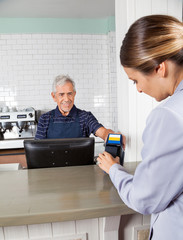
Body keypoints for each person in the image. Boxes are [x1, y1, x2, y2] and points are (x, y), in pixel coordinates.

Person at [97, 15, 183, 240]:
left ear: (159, 68)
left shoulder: (169, 116)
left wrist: (114, 169)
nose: (138, 89)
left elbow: (144, 199)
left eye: (135, 80)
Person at [35, 75, 116, 141]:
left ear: (74, 94)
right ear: (54, 96)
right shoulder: (45, 119)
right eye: (61, 94)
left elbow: (103, 132)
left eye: (69, 94)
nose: (66, 99)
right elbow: (37, 150)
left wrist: (115, 138)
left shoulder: (85, 117)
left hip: (81, 161)